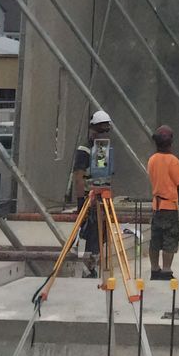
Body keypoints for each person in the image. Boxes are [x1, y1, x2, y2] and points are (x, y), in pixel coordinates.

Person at [70, 110, 117, 276]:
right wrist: (81, 200)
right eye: (101, 130)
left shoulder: (102, 149)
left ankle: (94, 265)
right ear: (93, 129)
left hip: (101, 196)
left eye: (106, 130)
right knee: (91, 232)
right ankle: (88, 268)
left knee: (101, 233)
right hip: (90, 199)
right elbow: (78, 176)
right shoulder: (85, 149)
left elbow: (102, 173)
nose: (103, 134)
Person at [146, 124, 179, 280]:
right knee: (170, 239)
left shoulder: (152, 160)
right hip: (170, 207)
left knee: (155, 239)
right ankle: (166, 271)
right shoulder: (173, 161)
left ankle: (154, 270)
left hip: (156, 206)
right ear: (170, 142)